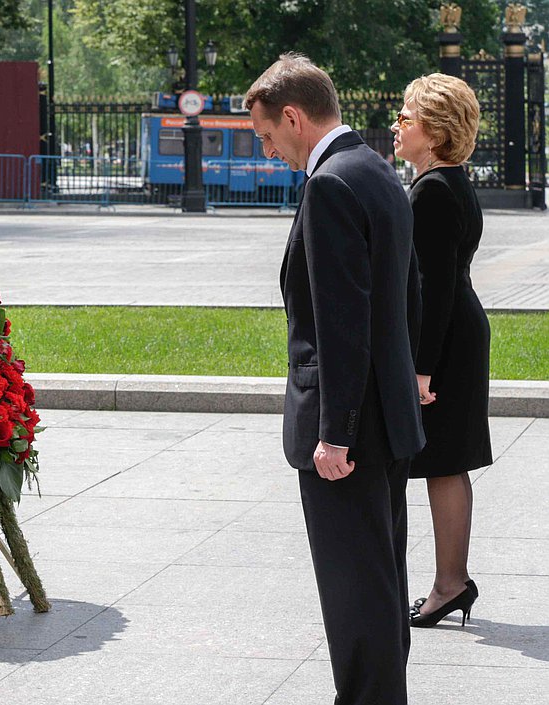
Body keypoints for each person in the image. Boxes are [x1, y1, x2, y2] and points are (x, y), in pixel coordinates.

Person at [246, 53, 424, 705]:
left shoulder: (328, 185)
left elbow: (340, 324)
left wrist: (335, 434)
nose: (269, 152)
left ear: (293, 116)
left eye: (267, 135)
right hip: (391, 419)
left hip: (350, 434)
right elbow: (409, 297)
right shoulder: (378, 169)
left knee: (355, 594)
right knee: (380, 584)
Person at [392, 73, 491, 628]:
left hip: (447, 339)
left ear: (432, 131)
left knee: (445, 463)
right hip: (458, 331)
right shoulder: (448, 180)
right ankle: (450, 582)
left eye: (405, 117)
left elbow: (433, 287)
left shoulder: (432, 189)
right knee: (444, 463)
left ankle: (450, 584)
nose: (396, 126)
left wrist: (423, 370)